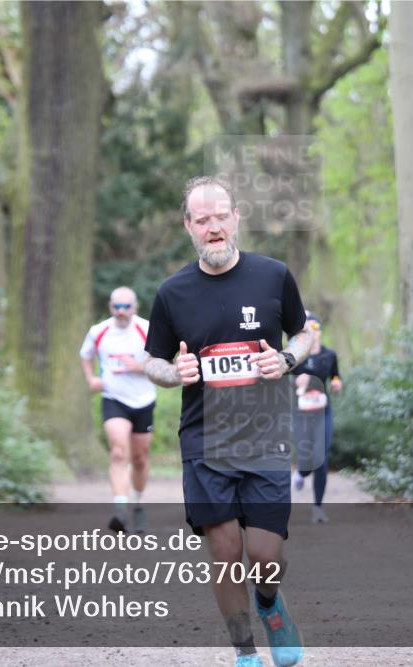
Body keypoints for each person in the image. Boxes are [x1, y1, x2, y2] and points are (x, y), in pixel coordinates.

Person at [143, 176, 314, 667]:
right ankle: (245, 654)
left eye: (221, 216)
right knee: (224, 551)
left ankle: (269, 603)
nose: (213, 227)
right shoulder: (172, 293)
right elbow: (151, 361)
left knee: (264, 555)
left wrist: (284, 360)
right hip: (204, 440)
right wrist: (174, 372)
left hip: (265, 437)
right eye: (203, 220)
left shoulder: (273, 275)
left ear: (236, 218)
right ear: (189, 228)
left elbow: (303, 334)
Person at [79, 286, 157, 534]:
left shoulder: (146, 329)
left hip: (143, 399)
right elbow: (85, 355)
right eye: (117, 307)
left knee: (140, 458)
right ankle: (120, 510)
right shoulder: (99, 331)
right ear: (110, 307)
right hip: (113, 398)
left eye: (126, 307)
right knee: (118, 452)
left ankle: (138, 504)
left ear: (135, 307)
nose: (121, 312)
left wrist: (140, 366)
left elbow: (163, 360)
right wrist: (91, 378)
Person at [291, 312, 343, 523]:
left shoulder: (329, 356)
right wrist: (297, 381)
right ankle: (302, 473)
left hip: (323, 411)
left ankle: (318, 508)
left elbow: (336, 376)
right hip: (301, 413)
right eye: (307, 329)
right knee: (307, 455)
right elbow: (286, 378)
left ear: (319, 331)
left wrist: (337, 383)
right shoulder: (297, 356)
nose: (312, 333)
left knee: (321, 456)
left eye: (314, 328)